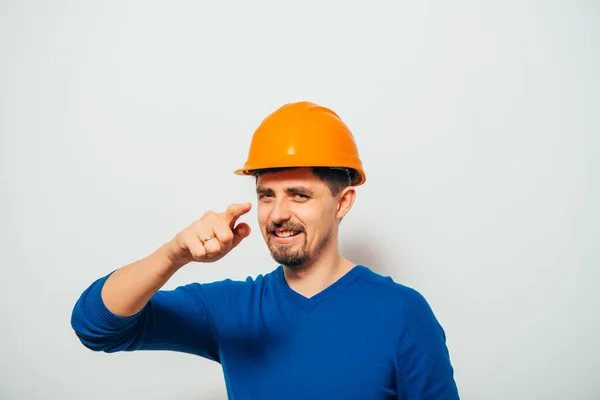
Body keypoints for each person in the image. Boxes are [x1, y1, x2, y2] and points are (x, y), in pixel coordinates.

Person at [71, 101, 460, 399]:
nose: (278, 214)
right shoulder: (231, 309)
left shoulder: (403, 314)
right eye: (266, 196)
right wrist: (174, 254)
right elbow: (96, 325)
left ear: (342, 203)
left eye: (299, 195)